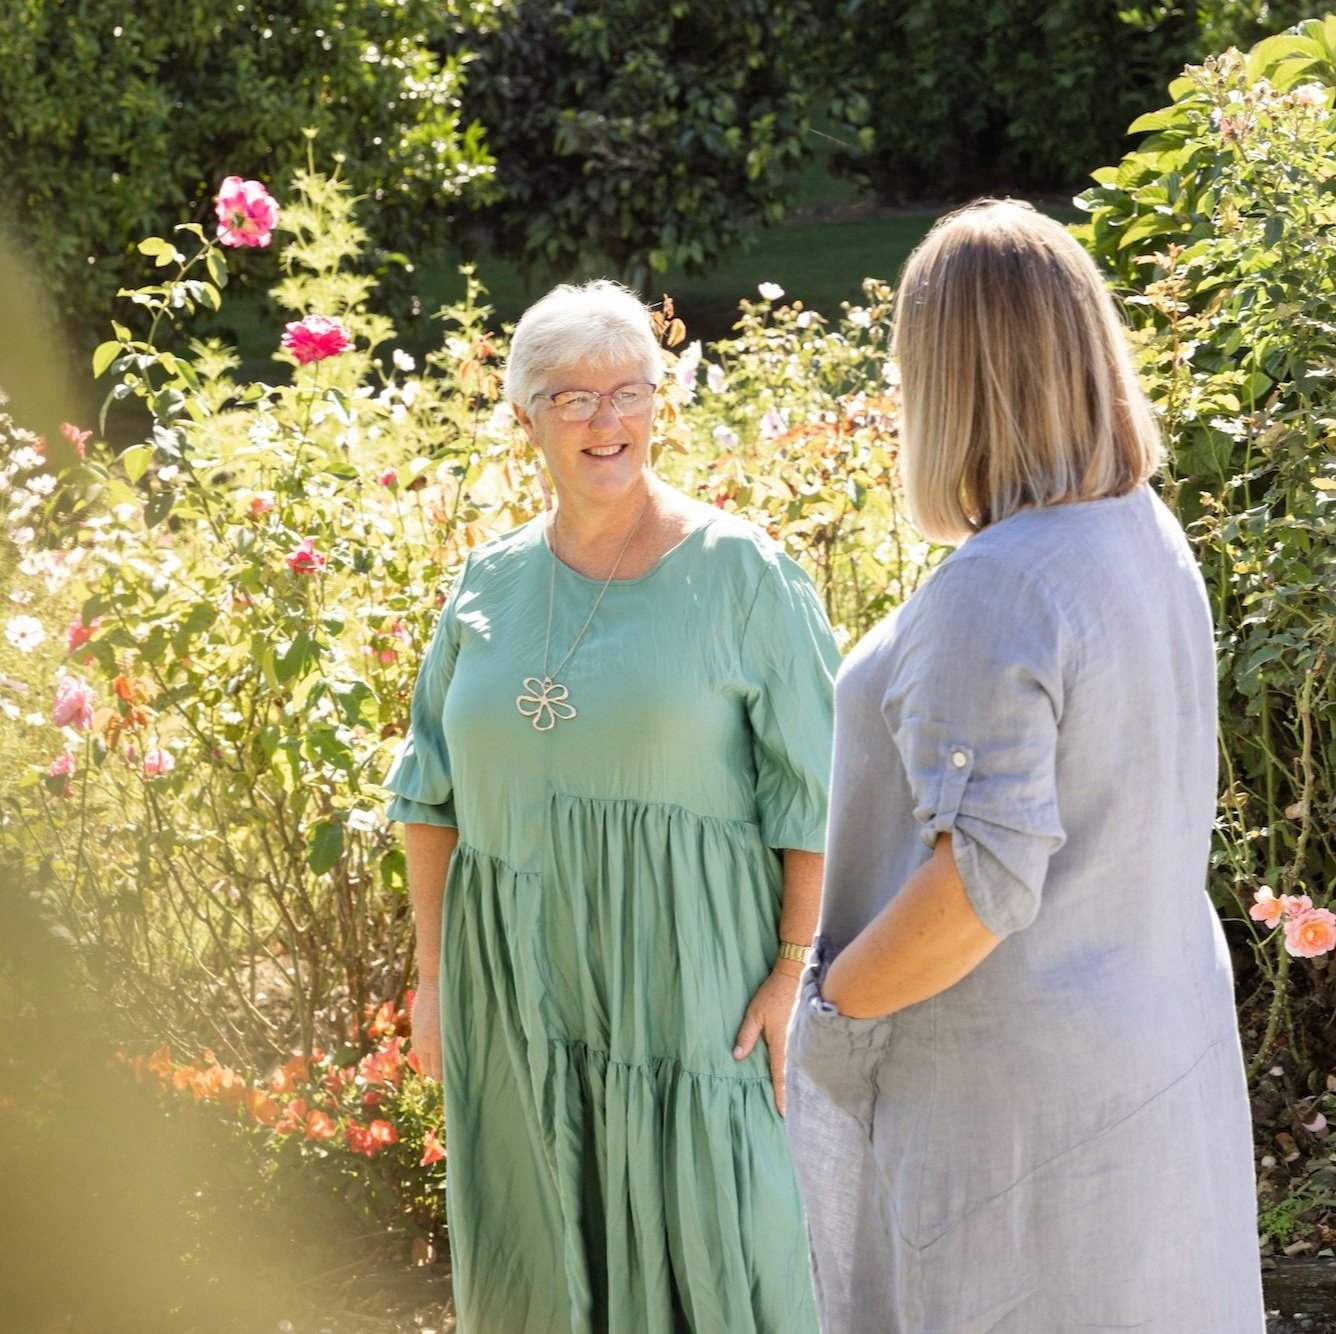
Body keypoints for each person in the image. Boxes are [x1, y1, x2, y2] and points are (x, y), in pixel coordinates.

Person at [785, 200, 1265, 1332]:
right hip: (1146, 1056)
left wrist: (833, 1016)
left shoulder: (999, 584)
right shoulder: (1139, 528)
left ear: (951, 375)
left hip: (1009, 1111)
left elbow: (980, 886)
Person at [384, 279, 838, 1333]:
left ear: (658, 404)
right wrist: (434, 975)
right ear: (523, 416)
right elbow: (430, 789)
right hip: (516, 981)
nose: (605, 420)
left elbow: (813, 787)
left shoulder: (743, 573)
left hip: (687, 980)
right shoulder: (486, 583)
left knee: (712, 1238)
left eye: (627, 391)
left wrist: (790, 964)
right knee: (539, 1240)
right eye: (571, 398)